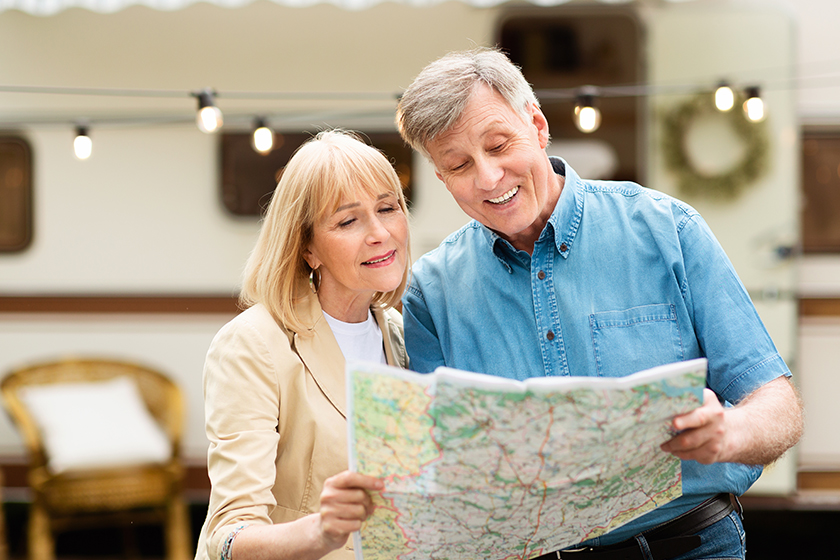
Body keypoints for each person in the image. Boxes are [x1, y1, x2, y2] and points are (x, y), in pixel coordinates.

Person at [396, 47, 803, 560]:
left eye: (499, 145)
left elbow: (778, 406)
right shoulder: (432, 293)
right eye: (458, 165)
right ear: (440, 176)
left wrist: (730, 431)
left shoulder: (666, 230)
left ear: (538, 127)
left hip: (691, 546)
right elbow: (438, 471)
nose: (487, 178)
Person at [194, 130, 411, 560]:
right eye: (348, 221)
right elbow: (228, 538)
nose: (380, 232)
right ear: (307, 247)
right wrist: (320, 532)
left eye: (388, 208)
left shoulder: (399, 333)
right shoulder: (252, 344)